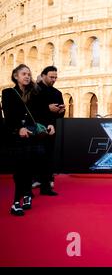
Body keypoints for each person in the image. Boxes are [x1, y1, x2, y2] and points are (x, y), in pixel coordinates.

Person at [1, 64, 55, 216]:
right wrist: (18, 128)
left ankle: (26, 195)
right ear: (15, 76)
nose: (27, 76)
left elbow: (42, 112)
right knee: (20, 170)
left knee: (29, 167)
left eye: (29, 74)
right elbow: (9, 114)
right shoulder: (8, 93)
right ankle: (16, 203)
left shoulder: (35, 93)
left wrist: (49, 124)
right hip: (16, 136)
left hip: (33, 135)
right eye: (23, 73)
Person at [34, 66, 64, 195]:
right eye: (51, 77)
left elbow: (59, 114)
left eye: (55, 77)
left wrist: (61, 111)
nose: (54, 79)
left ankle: (46, 187)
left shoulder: (57, 93)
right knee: (34, 157)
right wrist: (47, 108)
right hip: (34, 129)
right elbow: (30, 109)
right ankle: (30, 186)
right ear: (43, 75)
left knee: (48, 158)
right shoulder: (34, 90)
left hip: (50, 128)